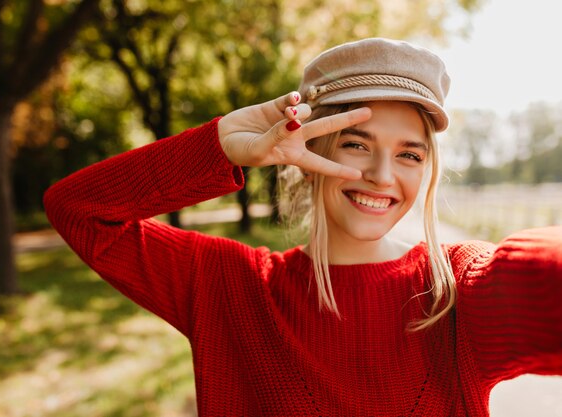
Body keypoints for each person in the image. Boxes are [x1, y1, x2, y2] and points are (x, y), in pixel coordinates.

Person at [43, 38, 562, 416]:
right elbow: (78, 209)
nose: (381, 175)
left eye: (409, 154)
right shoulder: (228, 284)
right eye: (357, 143)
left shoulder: (455, 292)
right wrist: (220, 142)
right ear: (310, 146)